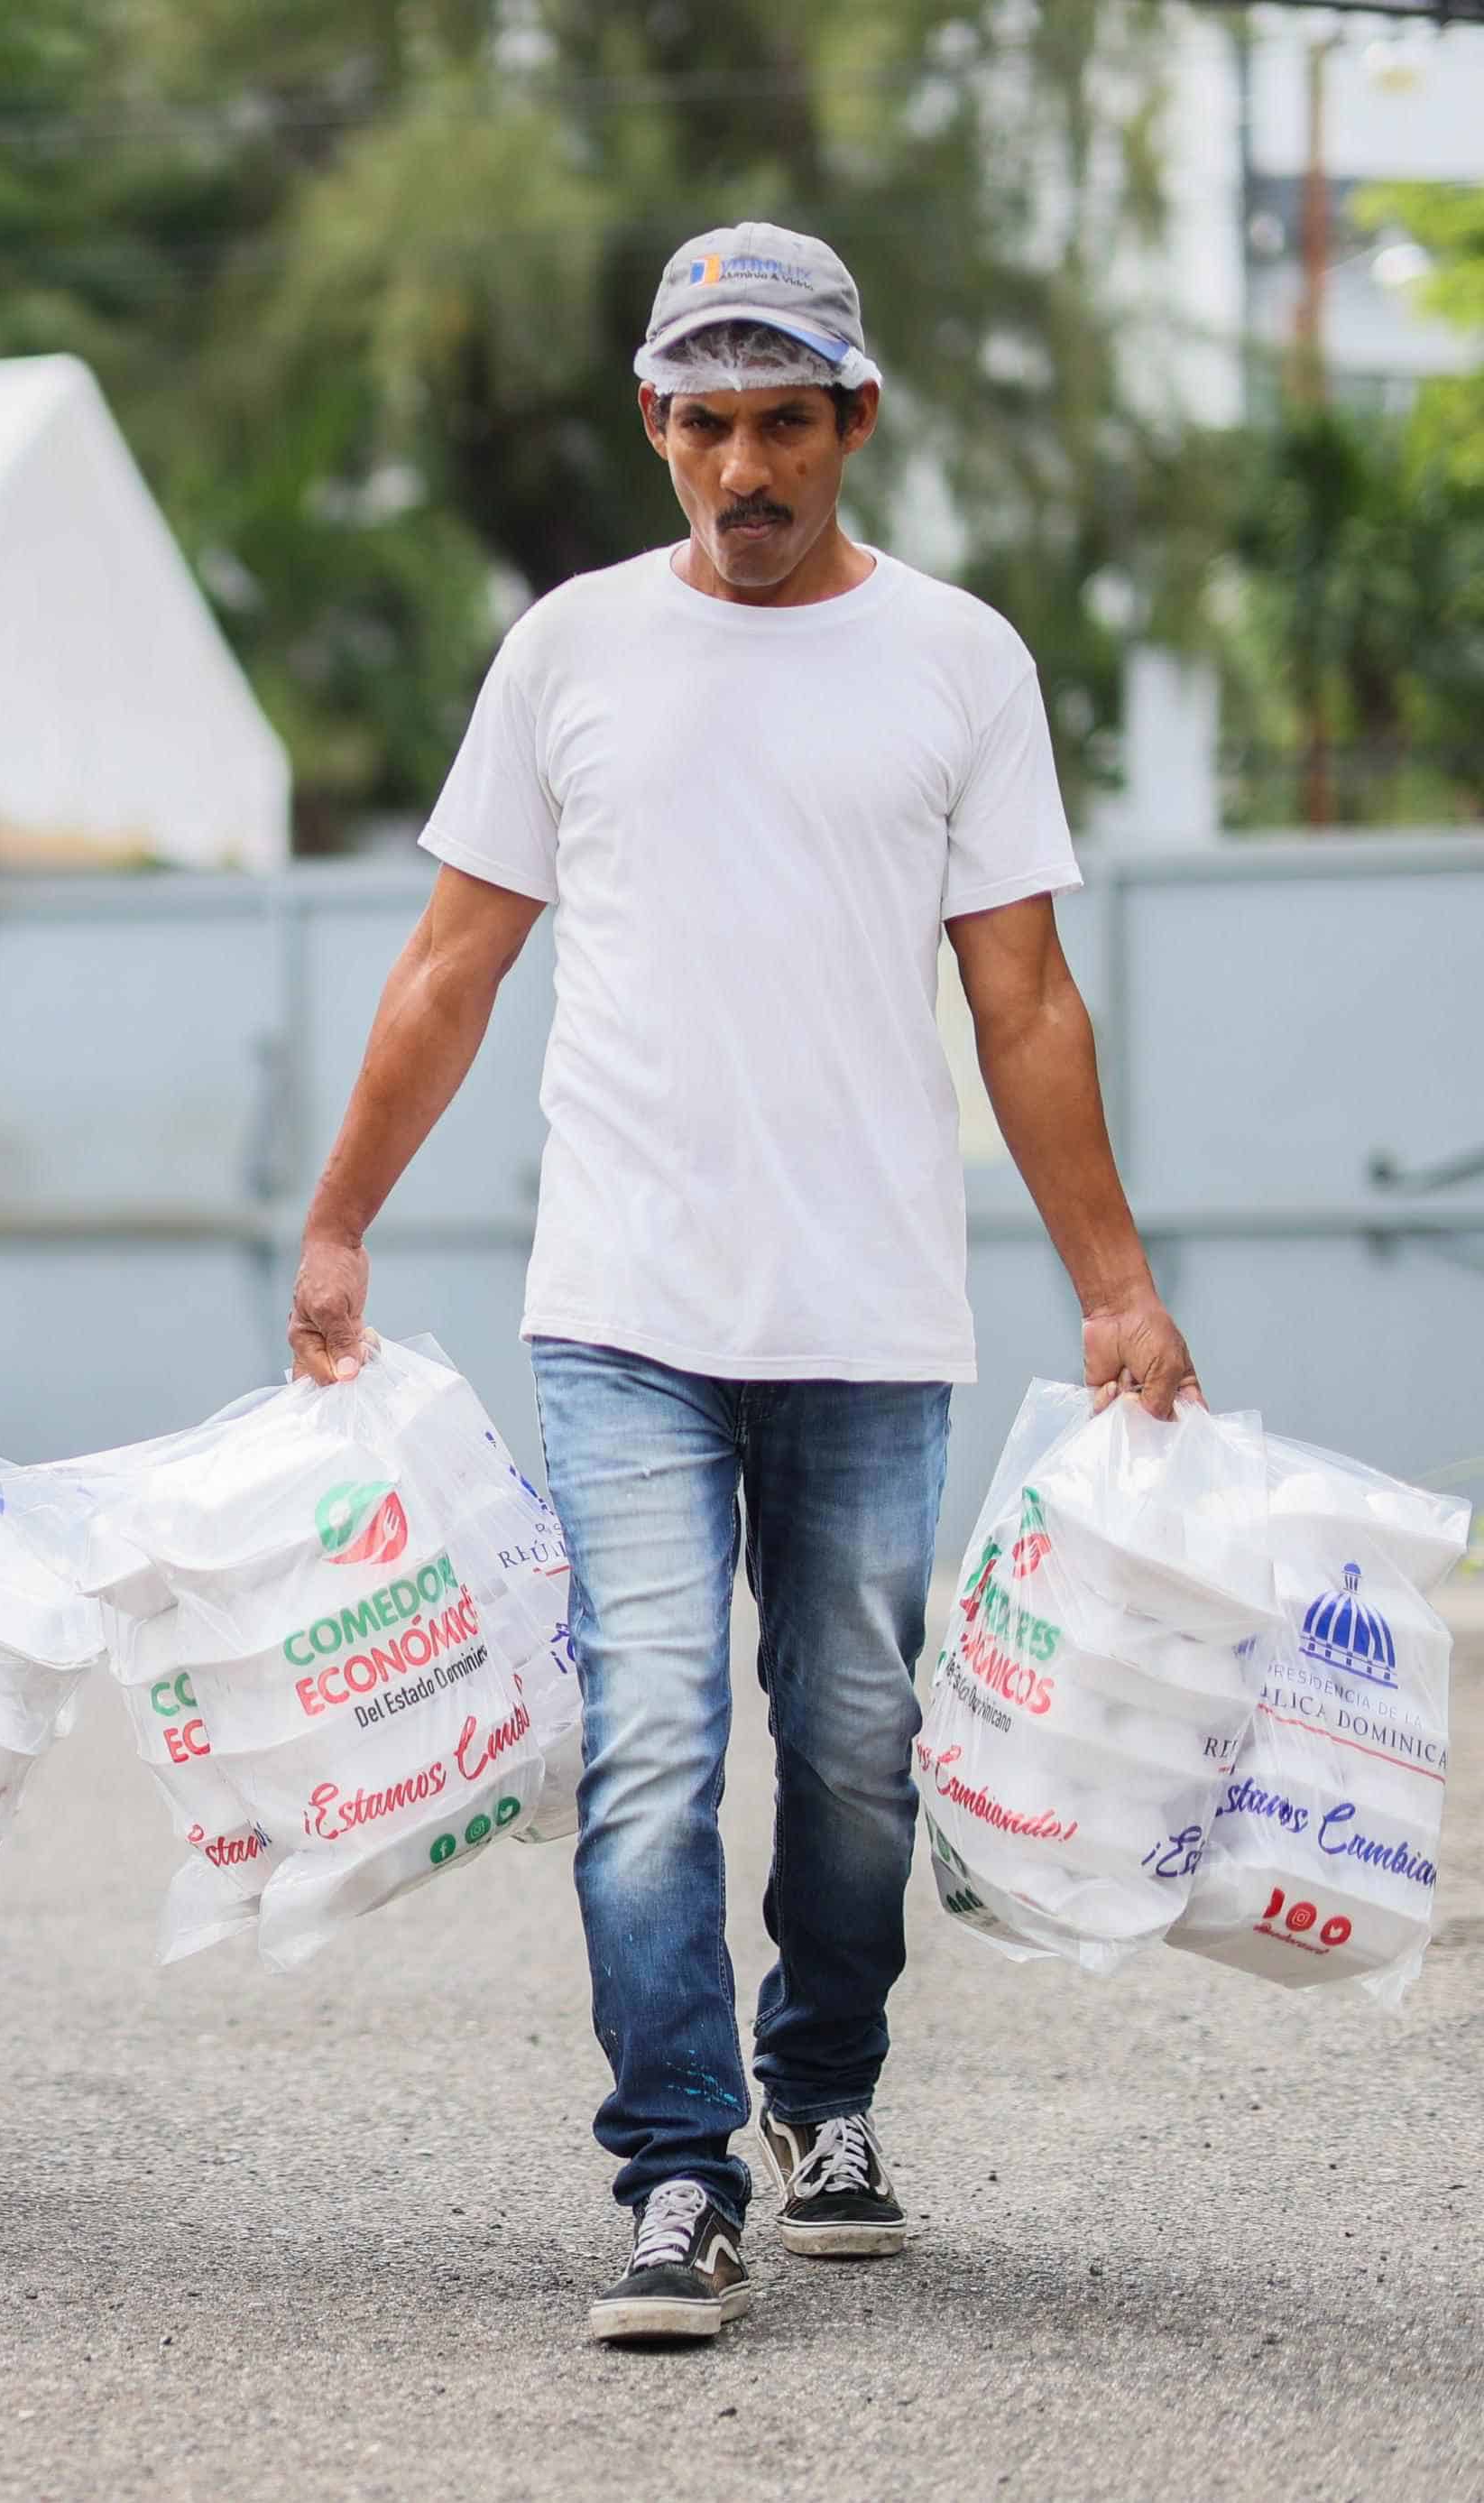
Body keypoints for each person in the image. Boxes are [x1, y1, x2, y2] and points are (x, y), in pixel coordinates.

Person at [283, 226, 1198, 2346]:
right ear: (654, 427)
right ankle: (678, 2162)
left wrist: (1116, 1282)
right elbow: (449, 963)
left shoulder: (960, 659)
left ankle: (830, 2093)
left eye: (787, 422)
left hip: (872, 1311)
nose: (745, 469)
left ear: (855, 420)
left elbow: (1027, 1001)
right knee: (654, 1741)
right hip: (620, 1309)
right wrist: (337, 1221)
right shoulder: (569, 654)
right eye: (705, 425)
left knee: (860, 1750)